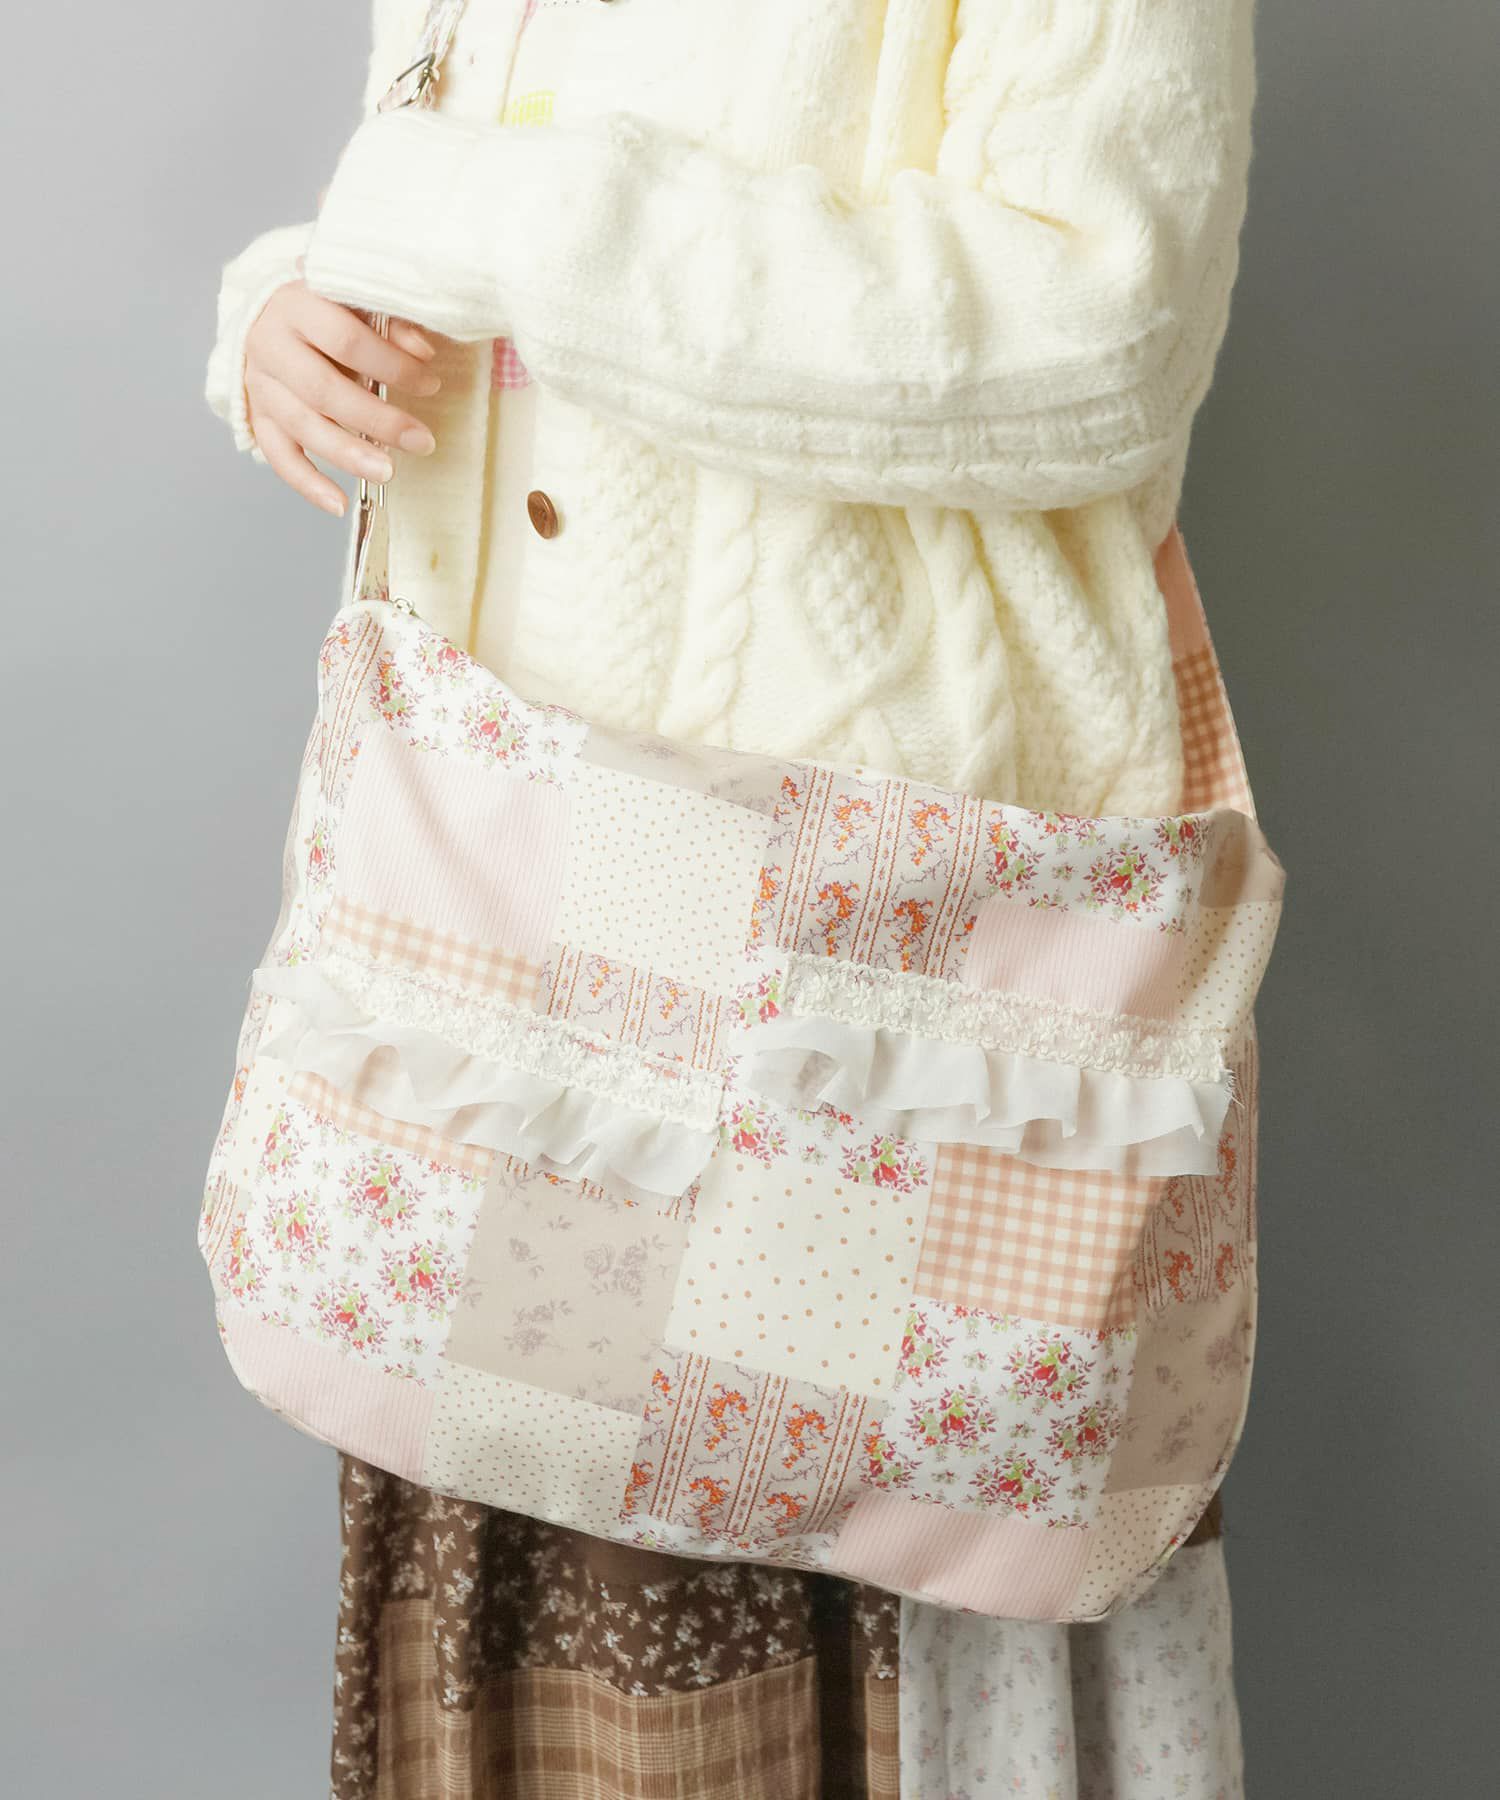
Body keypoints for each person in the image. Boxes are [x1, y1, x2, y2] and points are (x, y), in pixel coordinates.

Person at [207, 3, 1258, 1794]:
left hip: (855, 1001)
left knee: (876, 1569)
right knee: (525, 1514)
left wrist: (485, 214)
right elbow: (447, 198)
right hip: (501, 991)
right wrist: (290, 314)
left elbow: (1102, 339)